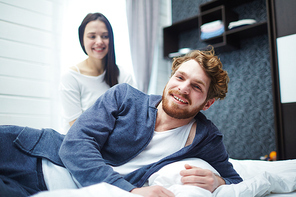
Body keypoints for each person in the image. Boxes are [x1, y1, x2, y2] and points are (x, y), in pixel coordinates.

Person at [0, 48, 242, 197]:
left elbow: (236, 181)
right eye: (180, 77)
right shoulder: (124, 96)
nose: (183, 88)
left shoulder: (206, 138)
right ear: (170, 79)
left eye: (196, 86)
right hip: (31, 157)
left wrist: (219, 181)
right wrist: (131, 191)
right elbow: (75, 145)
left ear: (207, 103)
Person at [59, 12, 137, 133]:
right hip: (80, 143)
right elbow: (77, 128)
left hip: (115, 144)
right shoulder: (70, 77)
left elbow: (132, 117)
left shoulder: (124, 75)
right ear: (82, 40)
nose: (99, 41)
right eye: (92, 36)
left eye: (105, 36)